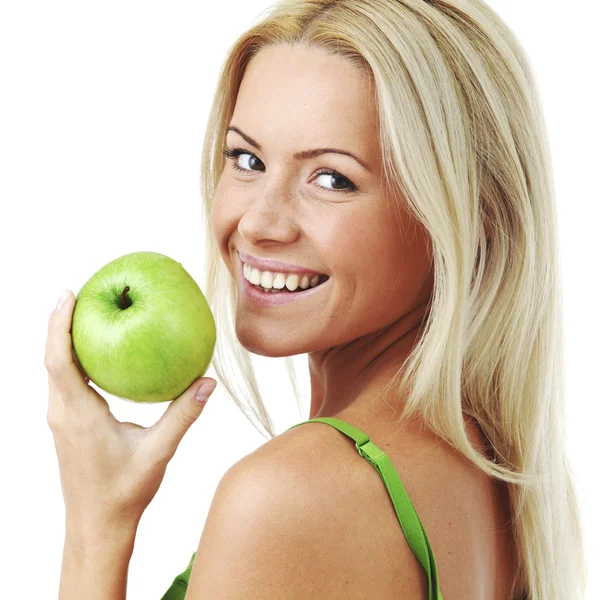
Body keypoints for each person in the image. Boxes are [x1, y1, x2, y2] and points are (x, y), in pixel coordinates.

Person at [45, 1, 587, 599]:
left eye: (331, 178)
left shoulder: (289, 498)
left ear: (463, 219)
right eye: (246, 159)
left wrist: (96, 528)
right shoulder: (491, 474)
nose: (258, 222)